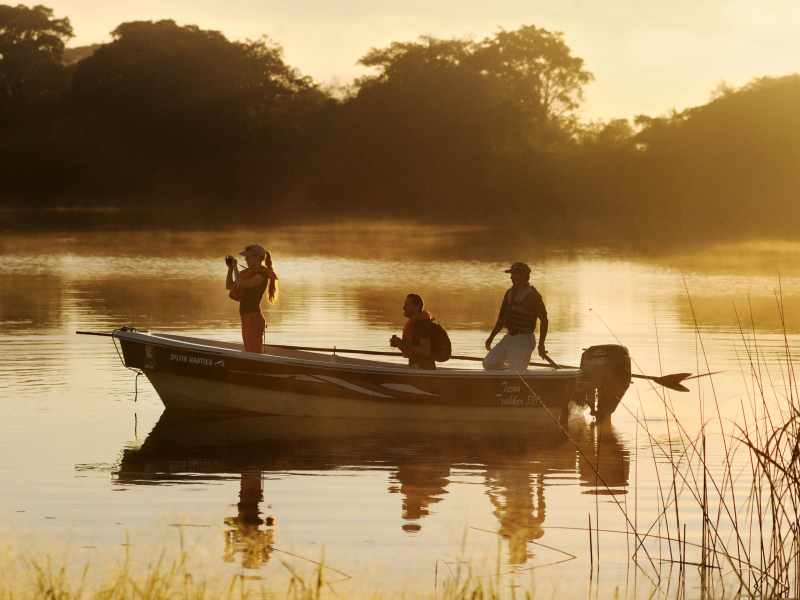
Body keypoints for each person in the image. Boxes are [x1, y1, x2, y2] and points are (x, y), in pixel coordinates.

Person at [483, 262, 548, 371]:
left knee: (516, 371)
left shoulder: (533, 296)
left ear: (523, 276)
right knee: (488, 364)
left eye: (514, 274)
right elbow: (501, 319)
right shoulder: (509, 293)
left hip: (524, 340)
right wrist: (491, 337)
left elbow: (544, 321)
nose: (511, 277)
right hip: (509, 337)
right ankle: (509, 373)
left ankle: (517, 372)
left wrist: (541, 345)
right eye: (511, 275)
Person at [226, 244, 278, 353]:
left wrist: (235, 268)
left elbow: (242, 284)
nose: (245, 259)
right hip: (246, 317)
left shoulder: (260, 276)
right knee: (249, 351)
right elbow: (229, 286)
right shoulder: (249, 273)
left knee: (253, 352)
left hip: (253, 318)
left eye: (248, 257)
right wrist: (230, 269)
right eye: (246, 257)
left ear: (257, 258)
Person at [390, 293, 436, 370]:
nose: (403, 308)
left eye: (407, 305)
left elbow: (425, 351)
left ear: (417, 307)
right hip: (415, 367)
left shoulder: (422, 325)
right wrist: (398, 344)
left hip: (423, 369)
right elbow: (411, 349)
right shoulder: (414, 324)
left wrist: (400, 343)